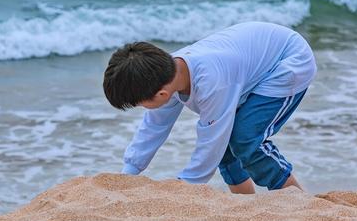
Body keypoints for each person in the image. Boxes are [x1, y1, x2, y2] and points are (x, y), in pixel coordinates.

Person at [102, 21, 316, 193]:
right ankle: (246, 204)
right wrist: (128, 173)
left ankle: (297, 200)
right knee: (224, 144)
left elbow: (211, 141)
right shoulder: (167, 72)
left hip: (288, 61)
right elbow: (154, 127)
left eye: (140, 104)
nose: (144, 109)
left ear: (161, 95)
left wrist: (187, 186)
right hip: (251, 61)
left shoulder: (212, 82)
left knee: (245, 140)